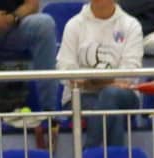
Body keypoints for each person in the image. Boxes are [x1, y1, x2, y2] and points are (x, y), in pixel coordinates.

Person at [55, 0, 143, 149]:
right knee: (113, 113)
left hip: (124, 96)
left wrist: (89, 82)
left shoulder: (131, 25)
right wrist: (107, 82)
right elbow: (65, 70)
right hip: (81, 96)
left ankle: (87, 155)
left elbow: (129, 74)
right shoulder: (74, 25)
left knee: (110, 95)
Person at [0, 0, 57, 114]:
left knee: (44, 24)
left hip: (14, 26)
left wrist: (11, 18)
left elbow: (32, 4)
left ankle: (49, 113)